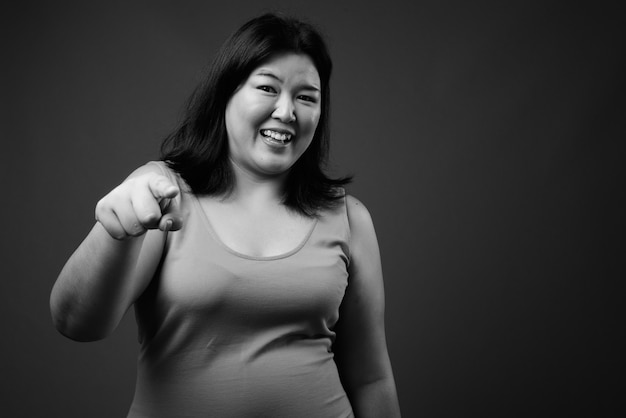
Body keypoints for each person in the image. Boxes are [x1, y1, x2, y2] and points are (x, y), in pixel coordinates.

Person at [50, 13, 400, 418]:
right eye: (268, 88)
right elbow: (76, 323)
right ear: (226, 95)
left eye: (307, 97)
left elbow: (371, 378)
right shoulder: (160, 192)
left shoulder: (349, 216)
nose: (287, 111)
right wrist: (116, 233)